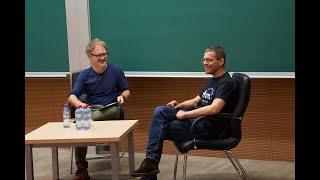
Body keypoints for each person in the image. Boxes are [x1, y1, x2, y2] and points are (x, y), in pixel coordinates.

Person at [131, 45, 236, 179]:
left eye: (209, 60)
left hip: (208, 128)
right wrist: (178, 106)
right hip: (197, 122)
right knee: (161, 111)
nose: (205, 63)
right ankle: (151, 165)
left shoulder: (226, 82)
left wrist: (186, 114)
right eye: (204, 60)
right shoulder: (213, 80)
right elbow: (195, 101)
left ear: (221, 62)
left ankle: (150, 169)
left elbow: (214, 108)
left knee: (160, 128)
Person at [68, 38, 130, 180]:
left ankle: (86, 120)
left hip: (111, 109)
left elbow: (126, 90)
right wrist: (79, 104)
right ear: (89, 56)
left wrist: (122, 97)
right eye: (99, 55)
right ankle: (82, 169)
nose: (103, 58)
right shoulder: (85, 75)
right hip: (93, 110)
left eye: (105, 54)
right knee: (82, 127)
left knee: (112, 111)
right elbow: (72, 96)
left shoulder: (116, 70)